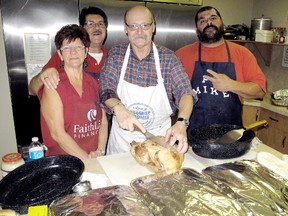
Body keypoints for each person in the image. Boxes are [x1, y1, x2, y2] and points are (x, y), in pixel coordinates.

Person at [99, 5, 196, 155]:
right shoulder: (116, 56)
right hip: (122, 143)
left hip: (158, 142)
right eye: (133, 26)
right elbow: (105, 89)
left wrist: (182, 123)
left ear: (153, 27)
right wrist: (118, 108)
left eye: (145, 25)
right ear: (126, 29)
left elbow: (185, 93)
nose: (139, 32)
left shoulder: (169, 59)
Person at [176, 6, 266, 136]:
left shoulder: (242, 54)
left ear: (222, 25)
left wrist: (231, 85)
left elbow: (260, 91)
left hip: (229, 137)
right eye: (202, 21)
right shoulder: (181, 55)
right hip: (190, 137)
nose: (209, 22)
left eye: (213, 18)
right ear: (197, 31)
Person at [38, 24, 108, 161]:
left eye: (78, 47)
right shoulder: (54, 85)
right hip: (64, 163)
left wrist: (100, 151)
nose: (73, 52)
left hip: (94, 158)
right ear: (60, 54)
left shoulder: (95, 83)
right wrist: (88, 161)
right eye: (67, 48)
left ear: (86, 51)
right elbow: (57, 133)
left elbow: (103, 123)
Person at [29, 6, 108, 94]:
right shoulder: (67, 55)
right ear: (82, 28)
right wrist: (42, 77)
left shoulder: (114, 57)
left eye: (101, 24)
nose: (97, 28)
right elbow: (33, 89)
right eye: (90, 24)